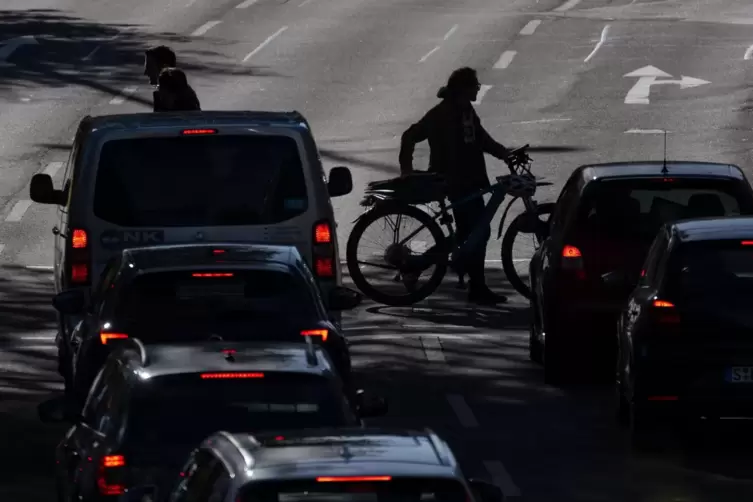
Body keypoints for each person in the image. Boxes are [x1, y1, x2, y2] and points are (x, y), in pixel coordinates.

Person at [399, 67, 510, 305]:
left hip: (471, 180)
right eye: (474, 86)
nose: (477, 89)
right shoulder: (441, 114)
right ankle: (476, 287)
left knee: (468, 233)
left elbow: (480, 138)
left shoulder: (466, 110)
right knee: (478, 232)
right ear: (462, 89)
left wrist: (505, 154)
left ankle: (418, 265)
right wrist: (406, 171)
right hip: (456, 181)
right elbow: (409, 135)